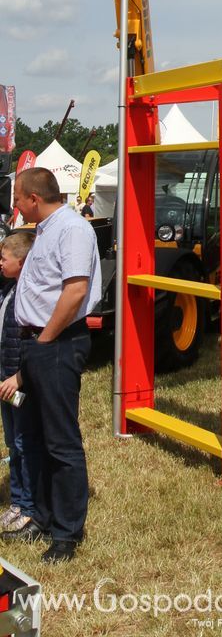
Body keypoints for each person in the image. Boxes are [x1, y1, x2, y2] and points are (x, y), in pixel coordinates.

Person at [4, 167, 101, 564]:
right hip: (36, 344)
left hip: (56, 343)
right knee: (37, 437)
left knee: (61, 442)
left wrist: (44, 342)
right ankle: (41, 517)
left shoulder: (72, 229)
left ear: (33, 198)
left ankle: (66, 535)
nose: (14, 207)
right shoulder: (45, 229)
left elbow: (75, 290)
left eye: (17, 199)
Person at [0, 230, 41, 535]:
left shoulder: (29, 296)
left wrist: (19, 378)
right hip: (6, 384)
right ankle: (17, 503)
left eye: (4, 258)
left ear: (22, 261)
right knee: (13, 444)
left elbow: (34, 346)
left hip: (20, 385)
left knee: (25, 444)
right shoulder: (8, 291)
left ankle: (29, 507)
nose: (0, 263)